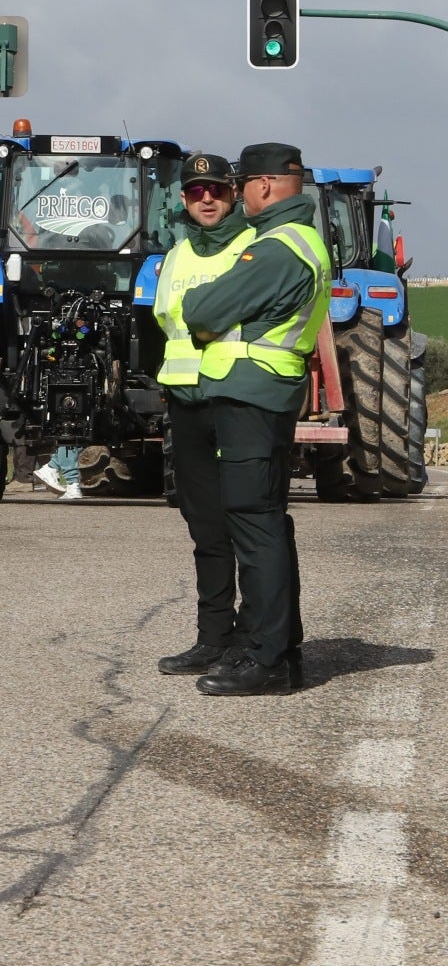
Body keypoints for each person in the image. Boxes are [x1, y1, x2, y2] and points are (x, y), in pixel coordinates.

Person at [172, 143, 329, 696]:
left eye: (237, 185)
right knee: (266, 522)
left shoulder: (278, 247)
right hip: (262, 393)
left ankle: (265, 659)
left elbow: (202, 310)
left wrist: (212, 306)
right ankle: (278, 646)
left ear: (260, 187)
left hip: (252, 393)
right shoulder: (293, 240)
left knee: (254, 524)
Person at [148, 152, 256, 678]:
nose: (206, 198)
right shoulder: (176, 255)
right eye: (195, 191)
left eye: (215, 189)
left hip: (238, 398)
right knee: (206, 529)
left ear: (233, 193)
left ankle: (253, 641)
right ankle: (212, 638)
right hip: (188, 402)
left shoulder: (253, 247)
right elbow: (166, 321)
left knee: (249, 525)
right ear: (185, 200)